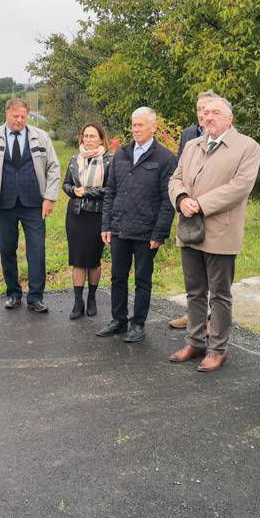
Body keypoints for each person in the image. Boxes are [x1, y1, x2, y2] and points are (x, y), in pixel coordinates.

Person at [167, 97, 260, 371]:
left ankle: (217, 348)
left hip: (221, 232)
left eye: (215, 112)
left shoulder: (247, 147)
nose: (208, 117)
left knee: (219, 294)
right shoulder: (192, 145)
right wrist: (182, 198)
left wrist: (201, 204)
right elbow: (175, 178)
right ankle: (195, 341)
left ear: (229, 118)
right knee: (194, 291)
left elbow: (240, 187)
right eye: (205, 112)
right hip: (190, 228)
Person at [97, 107, 176, 343]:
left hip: (146, 232)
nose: (136, 129)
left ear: (153, 127)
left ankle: (138, 323)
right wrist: (106, 225)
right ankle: (119, 319)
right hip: (119, 227)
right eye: (133, 125)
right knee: (117, 277)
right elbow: (110, 191)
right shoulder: (121, 154)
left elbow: (168, 200)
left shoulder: (165, 158)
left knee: (142, 279)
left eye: (140, 125)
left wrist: (159, 233)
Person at [0, 98, 61, 313]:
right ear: (6, 114)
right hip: (3, 205)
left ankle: (35, 297)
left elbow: (53, 167)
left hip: (34, 204)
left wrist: (50, 197)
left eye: (23, 116)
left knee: (36, 250)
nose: (20, 120)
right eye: (15, 116)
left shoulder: (40, 137)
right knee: (7, 249)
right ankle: (13, 293)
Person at [169, 90, 220, 330]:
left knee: (214, 269)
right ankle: (193, 314)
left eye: (207, 109)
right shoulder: (189, 135)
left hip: (213, 210)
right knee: (192, 270)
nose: (202, 114)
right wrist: (182, 199)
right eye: (199, 109)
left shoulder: (226, 136)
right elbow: (180, 170)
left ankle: (212, 319)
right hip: (189, 208)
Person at [62, 123, 113, 319]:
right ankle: (78, 302)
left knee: (93, 261)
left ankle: (91, 298)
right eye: (86, 136)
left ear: (101, 139)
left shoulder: (109, 160)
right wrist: (73, 190)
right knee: (77, 260)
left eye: (93, 136)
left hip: (97, 216)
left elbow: (110, 189)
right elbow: (66, 184)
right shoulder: (75, 159)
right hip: (75, 215)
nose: (88, 139)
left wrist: (86, 192)